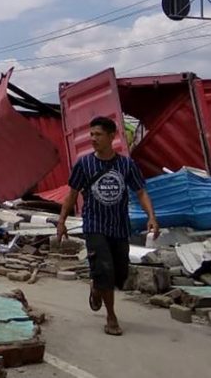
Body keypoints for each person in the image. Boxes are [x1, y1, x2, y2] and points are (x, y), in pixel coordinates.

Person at [56, 116, 158, 336]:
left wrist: (151, 216)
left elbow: (140, 191)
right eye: (91, 134)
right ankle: (111, 316)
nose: (93, 139)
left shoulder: (126, 165)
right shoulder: (84, 164)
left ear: (112, 137)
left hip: (119, 226)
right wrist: (62, 221)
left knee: (120, 274)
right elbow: (72, 194)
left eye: (98, 134)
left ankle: (97, 286)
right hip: (94, 224)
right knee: (105, 269)